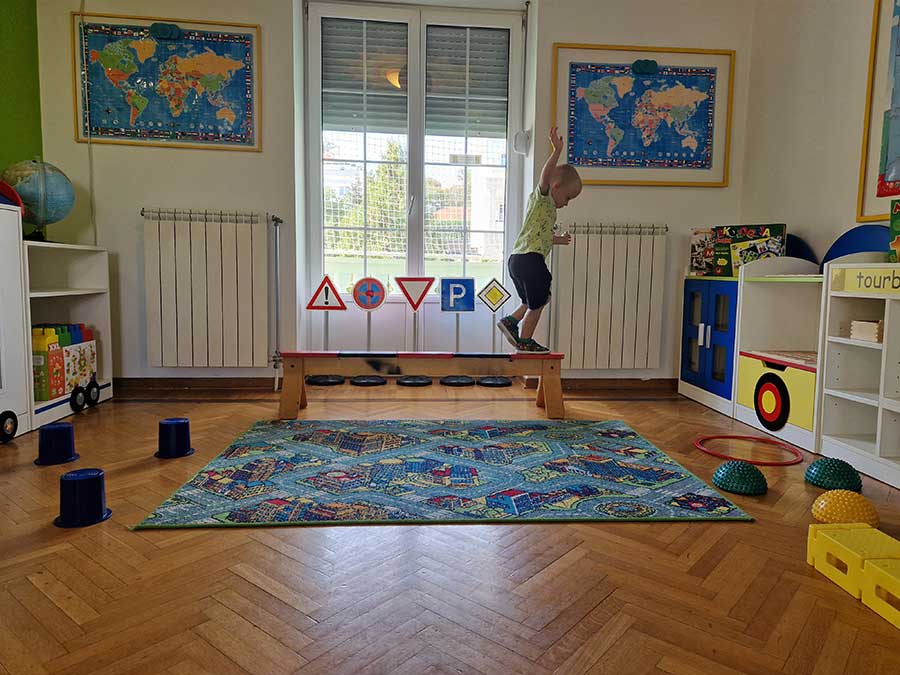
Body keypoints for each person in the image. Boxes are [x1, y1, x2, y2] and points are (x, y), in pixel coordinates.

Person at [498, 126, 582, 352]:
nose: (566, 203)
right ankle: (525, 341)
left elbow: (541, 236)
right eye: (567, 197)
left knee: (531, 301)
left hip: (517, 260)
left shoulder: (546, 211)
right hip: (530, 260)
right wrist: (557, 151)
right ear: (556, 187)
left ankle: (510, 322)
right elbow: (546, 175)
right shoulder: (542, 198)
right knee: (541, 299)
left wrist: (558, 240)